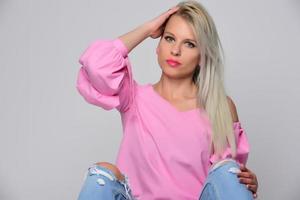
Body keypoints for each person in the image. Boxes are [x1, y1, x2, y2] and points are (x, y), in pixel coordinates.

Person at [75, 0, 258, 199]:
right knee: (101, 174)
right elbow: (96, 64)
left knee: (228, 172)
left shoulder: (220, 108)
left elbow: (225, 182)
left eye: (189, 44)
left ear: (203, 56)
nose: (176, 51)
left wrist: (244, 182)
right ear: (158, 45)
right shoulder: (133, 98)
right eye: (169, 38)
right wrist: (147, 29)